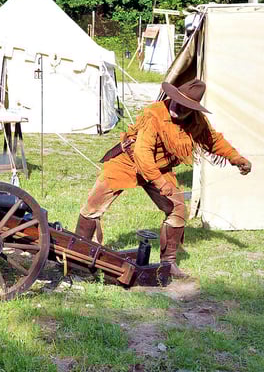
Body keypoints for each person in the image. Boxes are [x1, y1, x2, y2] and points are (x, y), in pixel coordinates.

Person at [75, 79, 252, 278]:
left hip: (161, 167)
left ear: (192, 109)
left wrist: (235, 158)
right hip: (128, 161)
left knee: (177, 210)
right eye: (176, 101)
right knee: (93, 205)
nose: (178, 107)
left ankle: (168, 264)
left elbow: (213, 140)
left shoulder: (196, 121)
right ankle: (77, 255)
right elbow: (143, 154)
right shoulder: (154, 114)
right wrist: (160, 182)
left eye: (185, 106)